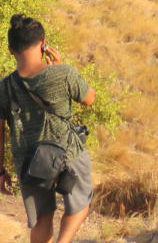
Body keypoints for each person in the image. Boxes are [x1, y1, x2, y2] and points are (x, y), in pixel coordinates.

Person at [0, 15, 95, 243]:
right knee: (80, 204)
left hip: (29, 164)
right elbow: (89, 99)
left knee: (42, 219)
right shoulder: (63, 74)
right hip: (67, 154)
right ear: (43, 44)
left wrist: (1, 171)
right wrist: (60, 67)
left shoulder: (4, 88)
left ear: (11, 50)